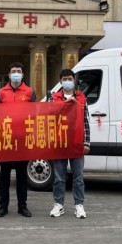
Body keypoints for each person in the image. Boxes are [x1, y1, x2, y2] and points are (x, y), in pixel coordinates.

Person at [0, 62, 36, 218]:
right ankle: (3, 206)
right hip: (5, 139)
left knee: (21, 174)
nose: (16, 74)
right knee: (4, 174)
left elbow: (33, 115)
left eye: (19, 71)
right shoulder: (1, 92)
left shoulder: (30, 92)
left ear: (23, 74)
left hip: (22, 139)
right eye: (13, 71)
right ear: (9, 74)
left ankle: (22, 206)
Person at [48, 69, 90, 219]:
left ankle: (79, 205)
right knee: (59, 177)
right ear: (60, 81)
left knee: (78, 177)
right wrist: (65, 105)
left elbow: (85, 121)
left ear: (74, 81)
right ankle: (58, 204)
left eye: (70, 79)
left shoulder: (81, 98)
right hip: (60, 142)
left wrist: (86, 142)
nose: (67, 82)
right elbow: (48, 117)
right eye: (64, 79)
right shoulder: (53, 98)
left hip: (76, 142)